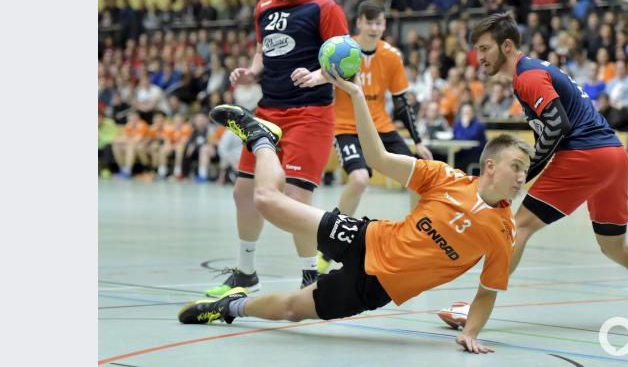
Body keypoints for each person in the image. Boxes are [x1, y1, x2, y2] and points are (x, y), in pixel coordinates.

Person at [178, 84, 535, 354]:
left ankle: (229, 307)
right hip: (365, 236)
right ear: (490, 166)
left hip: (374, 288)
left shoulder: (504, 233)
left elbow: (487, 292)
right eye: (516, 168)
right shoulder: (445, 178)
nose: (521, 178)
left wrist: (470, 331)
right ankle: (262, 139)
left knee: (292, 308)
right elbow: (377, 157)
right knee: (267, 201)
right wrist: (357, 95)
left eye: (525, 171)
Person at [438, 13, 628, 330]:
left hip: (586, 154)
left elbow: (557, 126)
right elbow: (550, 129)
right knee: (614, 246)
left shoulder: (528, 77)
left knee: (518, 225)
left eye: (484, 48)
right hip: (612, 156)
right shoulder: (532, 74)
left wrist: (526, 173)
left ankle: (473, 310)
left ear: (506, 46)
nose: (478, 57)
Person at [206, 0, 349, 297]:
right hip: (267, 113)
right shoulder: (264, 6)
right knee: (243, 193)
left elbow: (346, 62)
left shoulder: (325, 8)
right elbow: (262, 50)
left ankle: (309, 278)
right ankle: (245, 272)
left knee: (296, 199)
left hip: (311, 114)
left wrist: (319, 75)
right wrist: (252, 72)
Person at [290, 0, 433, 218]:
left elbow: (401, 103)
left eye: (379, 23)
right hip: (347, 128)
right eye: (370, 23)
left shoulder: (392, 56)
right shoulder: (343, 47)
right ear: (359, 23)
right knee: (359, 179)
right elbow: (326, 71)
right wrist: (312, 77)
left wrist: (418, 142)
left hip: (380, 127)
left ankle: (415, 231)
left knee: (418, 174)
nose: (374, 28)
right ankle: (334, 234)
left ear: (385, 25)